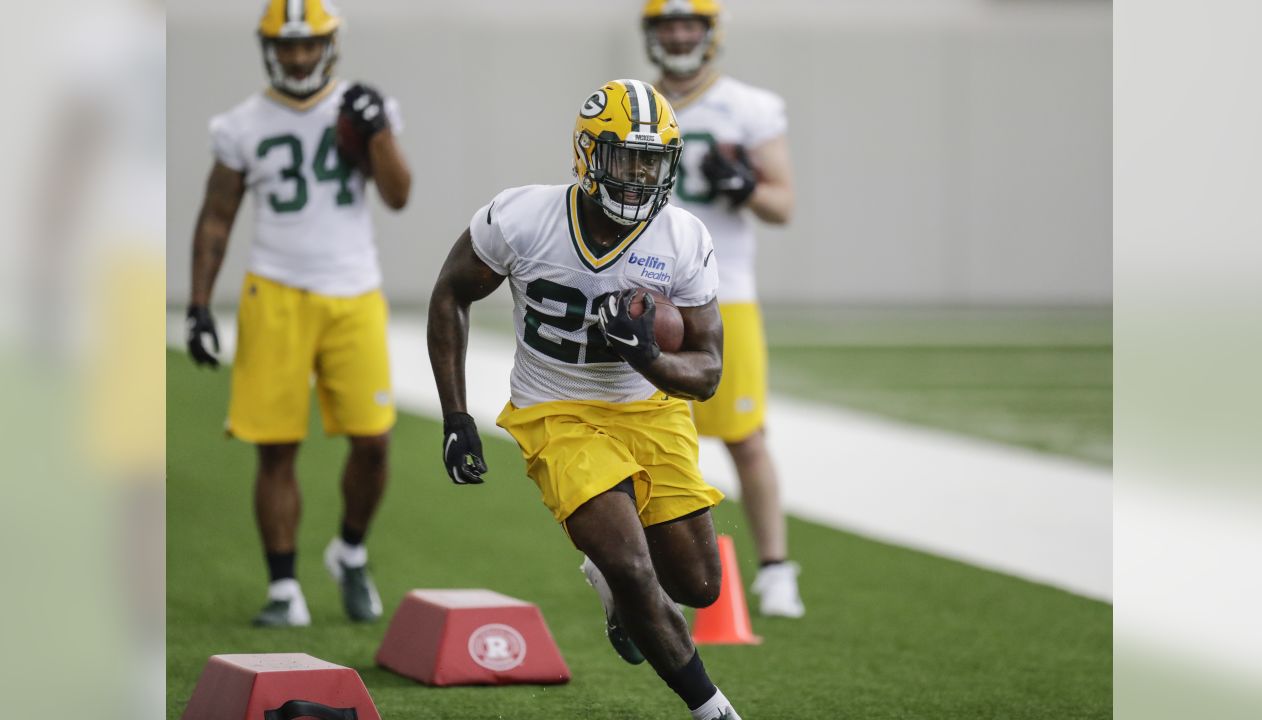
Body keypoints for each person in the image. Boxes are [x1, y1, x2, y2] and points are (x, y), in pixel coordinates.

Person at [428, 79, 742, 720]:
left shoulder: (682, 237)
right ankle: (713, 710)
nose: (637, 177)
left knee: (700, 587)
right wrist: (455, 415)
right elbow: (451, 292)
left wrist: (648, 355)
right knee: (631, 565)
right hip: (556, 409)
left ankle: (615, 590)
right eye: (624, 158)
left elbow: (707, 371)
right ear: (586, 155)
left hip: (649, 407)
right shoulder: (523, 217)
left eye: (651, 162)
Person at [185, 0, 412, 627]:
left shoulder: (365, 108)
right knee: (276, 448)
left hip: (354, 291)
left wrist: (377, 135)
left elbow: (398, 195)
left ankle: (350, 549)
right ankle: (284, 587)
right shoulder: (240, 124)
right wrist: (200, 304)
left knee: (374, 441)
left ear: (330, 45)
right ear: (269, 50)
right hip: (275, 292)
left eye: (308, 45)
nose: (298, 56)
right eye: (287, 47)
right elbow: (216, 216)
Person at [641, 0, 803, 618]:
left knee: (745, 437)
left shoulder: (750, 106)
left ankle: (776, 569)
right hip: (649, 292)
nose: (679, 35)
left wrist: (745, 186)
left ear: (710, 32)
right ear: (652, 33)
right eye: (668, 24)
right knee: (645, 437)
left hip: (722, 291)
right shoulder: (633, 102)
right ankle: (644, 572)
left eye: (689, 24)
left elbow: (783, 204)